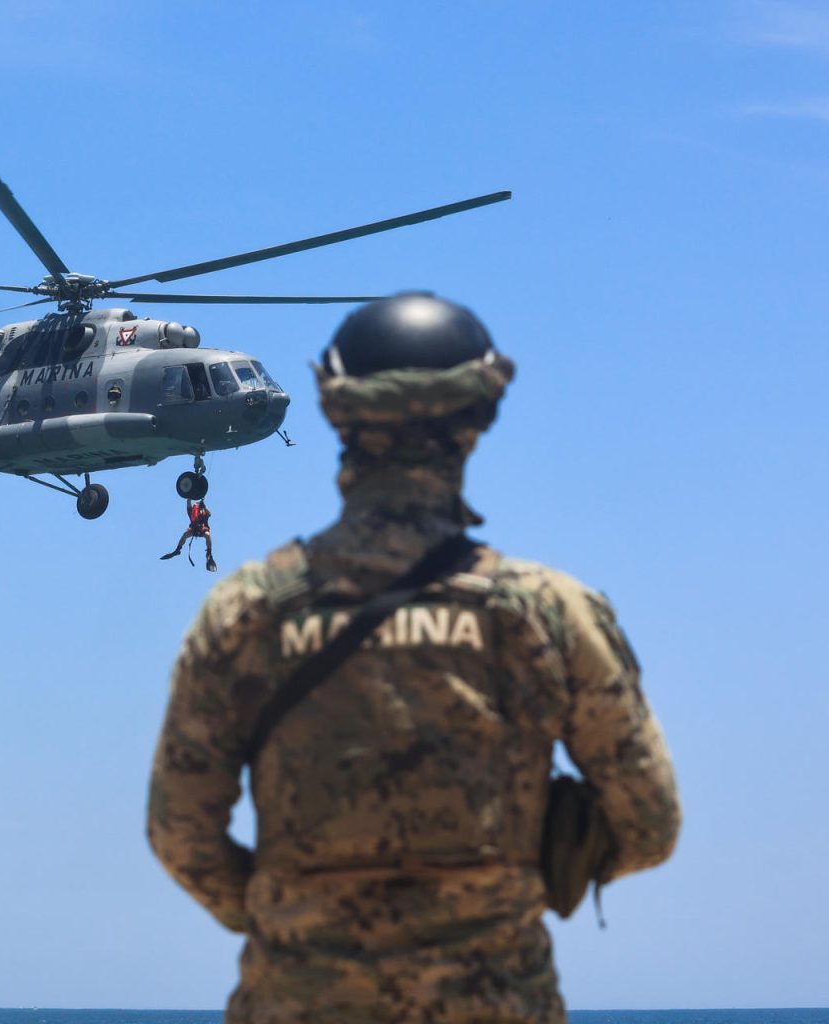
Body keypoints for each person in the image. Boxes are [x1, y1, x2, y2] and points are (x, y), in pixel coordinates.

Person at [146, 294, 680, 1024]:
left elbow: (180, 833)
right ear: (479, 417)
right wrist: (529, 875)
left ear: (338, 413)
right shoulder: (550, 614)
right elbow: (649, 823)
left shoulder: (248, 614)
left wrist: (294, 919)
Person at [161, 498, 217, 572]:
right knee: (185, 534)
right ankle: (178, 550)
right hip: (194, 530)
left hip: (202, 529)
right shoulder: (191, 510)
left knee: (207, 535)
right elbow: (188, 502)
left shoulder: (204, 511)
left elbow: (209, 514)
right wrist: (189, 496)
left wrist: (204, 506)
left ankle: (209, 552)